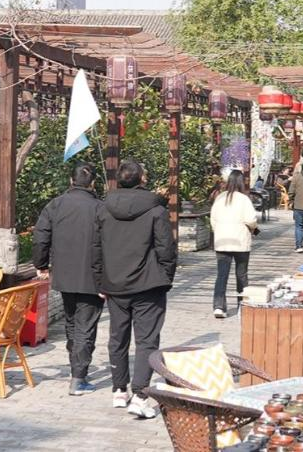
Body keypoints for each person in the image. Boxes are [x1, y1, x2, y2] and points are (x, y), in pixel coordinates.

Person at [92, 160, 176, 419]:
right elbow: (166, 248)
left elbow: (96, 247)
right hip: (148, 283)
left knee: (118, 337)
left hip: (115, 283)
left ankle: (119, 389)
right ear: (142, 179)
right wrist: (166, 276)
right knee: (147, 340)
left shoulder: (104, 208)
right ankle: (140, 395)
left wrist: (100, 280)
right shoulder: (156, 209)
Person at [32, 162, 103, 396]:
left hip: (64, 274)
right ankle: (78, 377)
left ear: (71, 181)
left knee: (72, 322)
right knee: (85, 325)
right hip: (93, 275)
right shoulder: (100, 208)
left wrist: (41, 265)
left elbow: (41, 237)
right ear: (93, 183)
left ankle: (76, 368)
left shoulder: (55, 205)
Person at [210, 169, 259, 319]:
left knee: (222, 275)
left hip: (222, 240)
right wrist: (253, 228)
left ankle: (219, 307)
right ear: (241, 182)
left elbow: (213, 219)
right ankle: (242, 306)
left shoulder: (220, 198)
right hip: (240, 241)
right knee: (241, 275)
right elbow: (251, 220)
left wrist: (219, 230)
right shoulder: (244, 199)